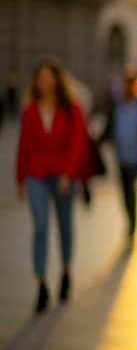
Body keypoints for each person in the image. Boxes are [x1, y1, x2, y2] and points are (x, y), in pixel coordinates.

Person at [15, 56, 91, 312]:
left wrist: (68, 174)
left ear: (57, 81)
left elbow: (78, 144)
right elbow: (23, 145)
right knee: (40, 226)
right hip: (36, 174)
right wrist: (19, 179)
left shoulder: (72, 109)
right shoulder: (29, 111)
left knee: (65, 225)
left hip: (62, 176)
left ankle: (66, 270)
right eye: (40, 78)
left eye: (49, 78)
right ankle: (41, 283)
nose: (44, 83)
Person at [98, 64, 137, 238]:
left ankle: (133, 223)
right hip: (121, 154)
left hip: (136, 154)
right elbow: (109, 127)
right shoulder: (116, 105)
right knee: (124, 190)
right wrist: (98, 143)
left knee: (131, 187)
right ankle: (130, 219)